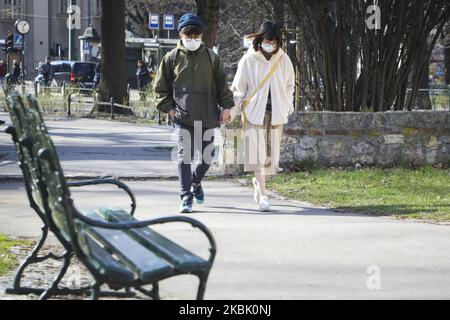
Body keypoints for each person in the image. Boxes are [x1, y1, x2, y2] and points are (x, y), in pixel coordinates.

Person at [153, 13, 234, 213]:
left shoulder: (211, 57)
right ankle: (185, 197)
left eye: (197, 36)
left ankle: (196, 182)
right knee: (184, 157)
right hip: (183, 117)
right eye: (189, 36)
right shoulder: (170, 58)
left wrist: (226, 107)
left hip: (207, 115)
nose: (193, 40)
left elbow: (223, 85)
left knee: (208, 157)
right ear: (181, 35)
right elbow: (160, 89)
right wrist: (170, 109)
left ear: (202, 36)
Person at [229, 21, 295, 212]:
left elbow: (290, 84)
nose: (271, 45)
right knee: (257, 156)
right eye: (268, 40)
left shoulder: (284, 60)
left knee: (269, 158)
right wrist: (234, 110)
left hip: (276, 113)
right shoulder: (248, 60)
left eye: (274, 42)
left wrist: (288, 104)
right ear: (260, 39)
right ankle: (264, 196)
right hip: (254, 114)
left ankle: (259, 184)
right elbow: (238, 89)